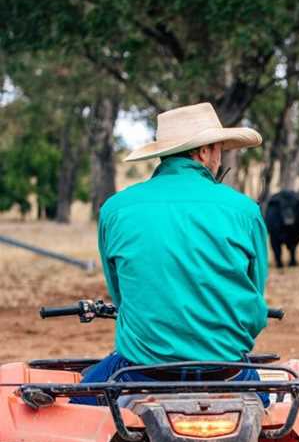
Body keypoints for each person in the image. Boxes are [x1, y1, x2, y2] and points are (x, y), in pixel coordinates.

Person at [80, 102, 269, 394]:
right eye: (219, 148)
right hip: (227, 371)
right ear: (204, 152)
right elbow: (255, 301)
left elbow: (121, 297)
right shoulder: (244, 210)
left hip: (142, 373)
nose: (219, 157)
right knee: (269, 423)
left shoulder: (115, 209)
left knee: (75, 402)